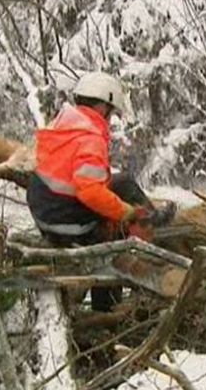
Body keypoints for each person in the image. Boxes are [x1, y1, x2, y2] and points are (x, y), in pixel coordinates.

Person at [27, 71, 175, 311]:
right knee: (112, 240)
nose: (110, 118)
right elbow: (90, 193)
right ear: (103, 106)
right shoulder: (90, 137)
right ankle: (107, 311)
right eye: (111, 112)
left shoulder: (65, 123)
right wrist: (126, 213)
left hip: (47, 213)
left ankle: (148, 221)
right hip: (66, 223)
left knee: (123, 183)